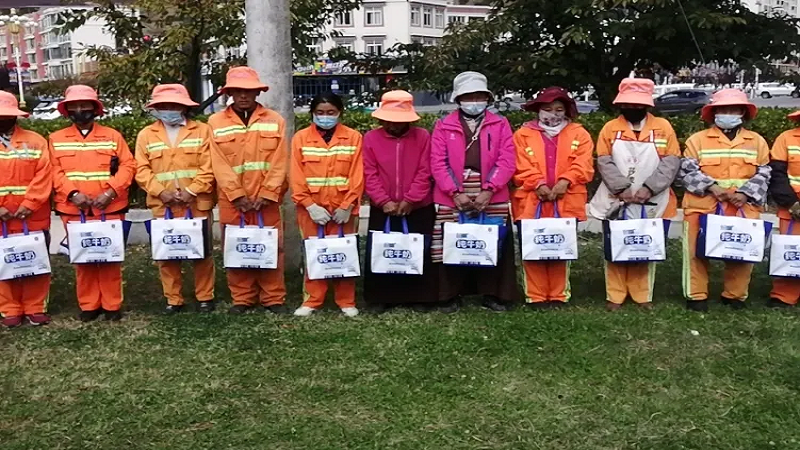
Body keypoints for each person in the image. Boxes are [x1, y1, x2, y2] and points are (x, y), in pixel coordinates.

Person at [588, 78, 681, 311]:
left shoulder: (663, 127)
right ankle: (615, 295)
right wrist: (622, 189)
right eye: (628, 104)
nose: (633, 108)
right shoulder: (610, 128)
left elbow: (671, 161)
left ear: (647, 105)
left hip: (654, 199)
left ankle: (642, 294)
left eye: (638, 105)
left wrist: (650, 188)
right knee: (616, 245)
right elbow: (604, 160)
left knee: (645, 245)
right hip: (617, 197)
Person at [430, 71, 518, 313]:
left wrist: (489, 190)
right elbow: (438, 162)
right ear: (458, 99)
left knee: (491, 239)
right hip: (452, 191)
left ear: (488, 98)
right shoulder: (443, 125)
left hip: (491, 190)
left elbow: (507, 159)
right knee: (452, 241)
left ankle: (493, 294)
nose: (474, 101)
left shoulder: (500, 124)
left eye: (479, 96)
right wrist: (455, 192)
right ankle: (450, 295)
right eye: (468, 97)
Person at [49, 85, 136, 322]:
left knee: (110, 257)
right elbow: (53, 170)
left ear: (95, 108)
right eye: (74, 106)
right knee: (83, 258)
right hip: (73, 209)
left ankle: (112, 305)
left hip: (110, 207)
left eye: (84, 105)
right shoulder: (56, 139)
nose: (79, 110)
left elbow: (129, 165)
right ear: (67, 110)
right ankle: (88, 305)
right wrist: (72, 193)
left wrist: (111, 192)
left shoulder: (112, 136)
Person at [681, 89, 770, 312]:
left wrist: (745, 193)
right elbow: (687, 170)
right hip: (703, 206)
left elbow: (765, 172)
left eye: (733, 109)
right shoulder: (697, 140)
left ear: (742, 113)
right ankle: (696, 296)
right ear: (714, 113)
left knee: (741, 252)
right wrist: (712, 187)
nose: (728, 113)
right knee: (696, 253)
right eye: (723, 109)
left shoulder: (757, 142)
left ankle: (735, 296)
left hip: (742, 207)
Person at [209, 66, 288, 315]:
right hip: (233, 200)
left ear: (257, 92)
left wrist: (268, 193)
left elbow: (280, 161)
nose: (243, 95)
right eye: (238, 91)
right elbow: (218, 162)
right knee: (237, 246)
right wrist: (236, 195)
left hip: (267, 199)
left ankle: (273, 297)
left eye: (249, 91)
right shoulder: (215, 122)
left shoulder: (275, 120)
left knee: (271, 246)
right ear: (230, 93)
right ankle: (242, 297)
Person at [135, 84, 216, 314]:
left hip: (196, 202)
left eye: (173, 105)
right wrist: (161, 192)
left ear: (184, 107)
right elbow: (141, 169)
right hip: (163, 204)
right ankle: (174, 299)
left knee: (202, 252)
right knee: (167, 253)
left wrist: (192, 191)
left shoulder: (202, 131)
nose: (169, 110)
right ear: (156, 108)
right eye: (164, 106)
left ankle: (205, 297)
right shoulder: (146, 135)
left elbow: (210, 166)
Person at [512, 87, 594, 308]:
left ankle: (558, 294)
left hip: (566, 199)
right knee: (532, 246)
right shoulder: (522, 135)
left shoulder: (580, 134)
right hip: (531, 200)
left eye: (559, 109)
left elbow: (584, 164)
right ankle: (535, 295)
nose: (553, 114)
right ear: (538, 110)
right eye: (548, 109)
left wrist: (565, 181)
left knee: (560, 246)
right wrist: (537, 183)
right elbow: (519, 164)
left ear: (566, 111)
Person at [362, 90, 437, 313]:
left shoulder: (422, 137)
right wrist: (382, 200)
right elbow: (369, 173)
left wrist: (411, 199)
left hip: (418, 206)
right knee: (383, 251)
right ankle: (381, 297)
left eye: (398, 121)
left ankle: (419, 296)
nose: (393, 125)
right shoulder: (371, 138)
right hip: (382, 206)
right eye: (389, 120)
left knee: (417, 250)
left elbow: (425, 170)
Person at [290, 92, 364, 317]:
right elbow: (296, 175)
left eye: (331, 112)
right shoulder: (301, 138)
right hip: (312, 208)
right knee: (314, 252)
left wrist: (348, 205)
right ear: (312, 113)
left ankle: (346, 300)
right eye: (320, 112)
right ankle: (312, 300)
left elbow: (358, 175)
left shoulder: (353, 137)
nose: (325, 116)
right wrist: (309, 205)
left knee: (345, 251)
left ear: (340, 112)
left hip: (343, 208)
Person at [0, 92, 53, 328]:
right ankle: (9, 308)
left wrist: (30, 204)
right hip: (1, 219)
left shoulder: (35, 141)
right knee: (2, 263)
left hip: (32, 216)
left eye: (6, 116)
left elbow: (45, 175)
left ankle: (35, 306)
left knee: (35, 261)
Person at [768, 110, 800, 308]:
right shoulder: (786, 139)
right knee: (790, 251)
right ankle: (784, 295)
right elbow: (777, 174)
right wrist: (791, 203)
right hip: (794, 208)